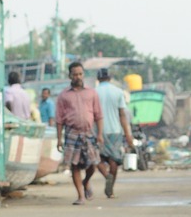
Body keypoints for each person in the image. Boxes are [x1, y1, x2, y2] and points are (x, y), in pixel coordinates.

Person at [55, 61, 105, 206]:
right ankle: (80, 196)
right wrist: (59, 139)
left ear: (83, 74)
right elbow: (59, 119)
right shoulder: (63, 96)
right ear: (70, 75)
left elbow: (98, 115)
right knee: (74, 166)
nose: (78, 77)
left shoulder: (91, 93)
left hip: (89, 133)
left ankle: (86, 181)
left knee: (93, 164)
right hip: (72, 133)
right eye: (75, 74)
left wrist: (100, 134)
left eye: (80, 74)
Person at [94, 68, 133, 198]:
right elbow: (122, 114)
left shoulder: (93, 93)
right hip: (115, 130)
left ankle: (106, 176)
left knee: (96, 158)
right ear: (110, 78)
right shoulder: (118, 92)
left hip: (98, 130)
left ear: (98, 79)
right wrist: (128, 134)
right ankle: (110, 190)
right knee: (114, 160)